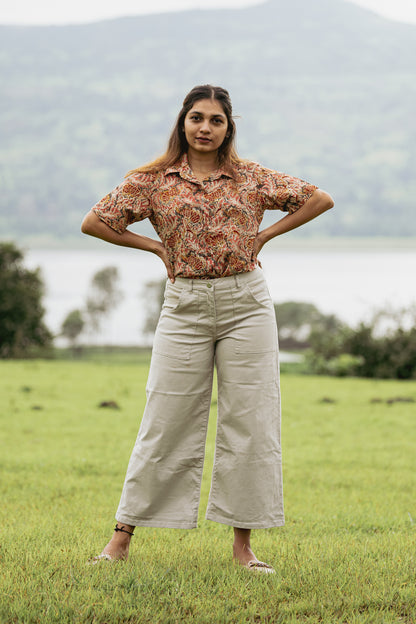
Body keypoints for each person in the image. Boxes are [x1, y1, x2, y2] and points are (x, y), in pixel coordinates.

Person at [81, 84, 334, 573]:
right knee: (164, 418)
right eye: (196, 118)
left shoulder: (250, 177)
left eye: (215, 120)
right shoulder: (150, 181)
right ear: (182, 123)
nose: (204, 128)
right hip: (185, 305)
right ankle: (118, 543)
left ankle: (245, 550)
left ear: (227, 128)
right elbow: (96, 222)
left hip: (247, 304)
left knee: (251, 421)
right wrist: (154, 247)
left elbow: (318, 199)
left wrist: (264, 235)